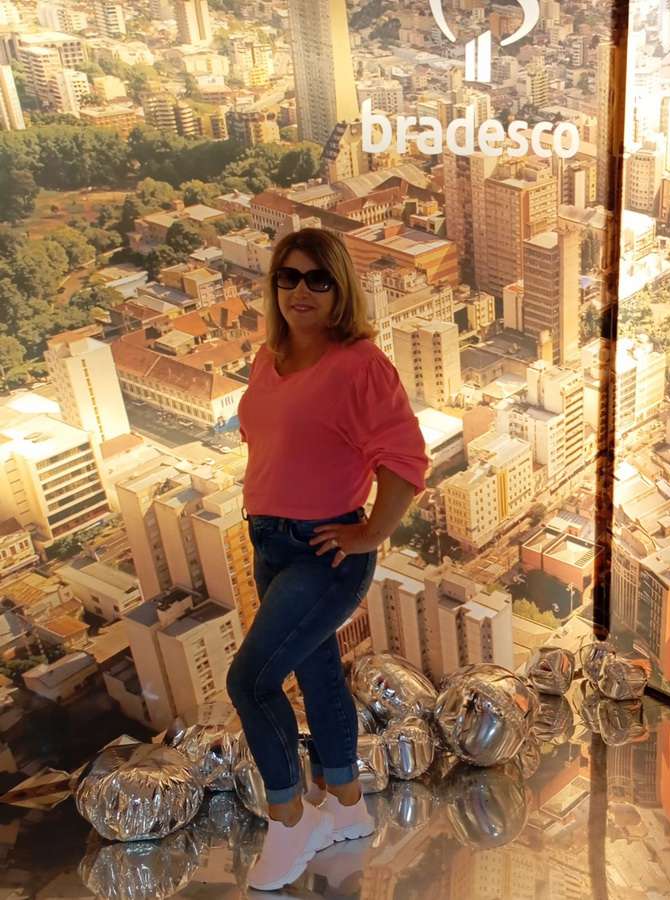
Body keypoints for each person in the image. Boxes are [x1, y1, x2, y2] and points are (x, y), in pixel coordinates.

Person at [228, 227, 429, 891]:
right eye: (287, 277)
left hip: (324, 550)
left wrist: (370, 533)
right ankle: (345, 804)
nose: (301, 291)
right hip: (269, 542)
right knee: (316, 673)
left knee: (250, 681)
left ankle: (290, 822)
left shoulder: (360, 365)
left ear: (340, 289)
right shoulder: (270, 358)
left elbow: (405, 460)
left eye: (318, 279)